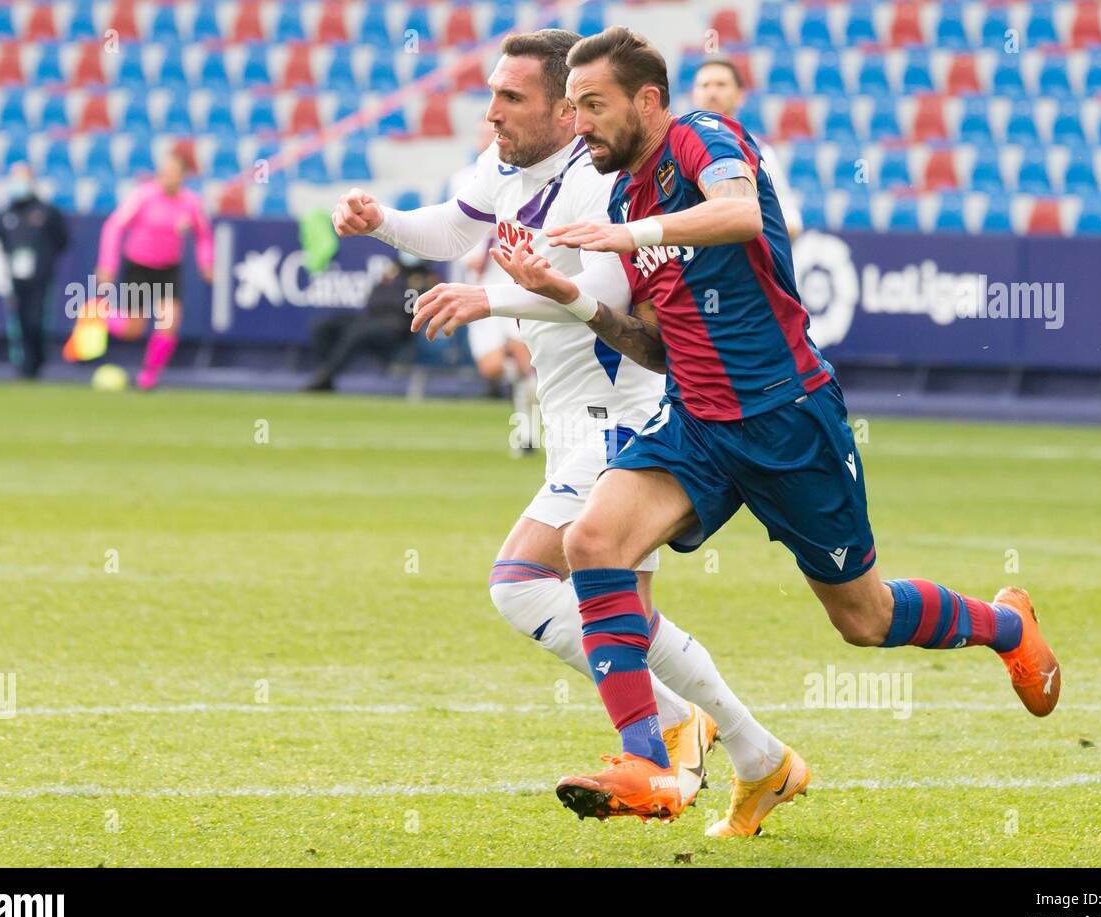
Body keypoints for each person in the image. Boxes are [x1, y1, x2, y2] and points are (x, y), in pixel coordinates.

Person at [491, 25, 1062, 835]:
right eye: (573, 106)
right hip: (696, 421)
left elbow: (739, 216)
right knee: (593, 543)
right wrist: (572, 297)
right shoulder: (625, 195)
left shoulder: (701, 137)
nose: (578, 123)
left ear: (647, 101)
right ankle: (649, 759)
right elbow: (654, 342)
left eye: (594, 105)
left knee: (863, 619)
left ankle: (1006, 625)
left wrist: (632, 238)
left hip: (787, 418)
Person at [335, 29, 792, 821]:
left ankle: (664, 743)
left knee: (522, 582)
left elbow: (607, 285)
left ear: (562, 109)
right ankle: (758, 755)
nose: (492, 114)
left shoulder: (597, 180)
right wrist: (382, 220)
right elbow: (454, 227)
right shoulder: (509, 165)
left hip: (624, 415)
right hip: (576, 419)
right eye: (491, 95)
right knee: (629, 615)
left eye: (511, 98)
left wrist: (491, 299)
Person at [445, 122, 539, 455]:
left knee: (523, 355)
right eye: (483, 133)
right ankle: (535, 395)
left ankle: (529, 434)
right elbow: (455, 231)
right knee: (492, 366)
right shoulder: (463, 179)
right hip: (479, 284)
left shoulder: (525, 175)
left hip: (513, 282)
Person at [95, 146, 213, 390]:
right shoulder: (143, 197)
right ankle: (98, 314)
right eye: (164, 172)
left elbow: (204, 236)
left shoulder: (191, 203)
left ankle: (149, 376)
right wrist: (108, 263)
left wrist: (207, 263)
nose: (168, 177)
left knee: (168, 322)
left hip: (168, 269)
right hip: (139, 266)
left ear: (183, 175)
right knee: (133, 329)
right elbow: (114, 227)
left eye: (173, 172)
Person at [690, 57, 802, 238]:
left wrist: (745, 229)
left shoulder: (758, 151)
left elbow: (791, 222)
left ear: (740, 96)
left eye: (721, 85)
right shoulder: (675, 148)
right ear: (693, 95)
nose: (712, 92)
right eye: (704, 85)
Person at [303, 254, 438, 391]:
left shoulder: (425, 281)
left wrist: (391, 305)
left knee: (358, 332)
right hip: (372, 320)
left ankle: (325, 377)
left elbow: (410, 311)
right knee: (322, 326)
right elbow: (373, 301)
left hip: (396, 331)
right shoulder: (391, 275)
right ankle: (327, 374)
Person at [0, 163, 68, 379]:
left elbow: (61, 241)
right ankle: (23, 364)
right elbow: (0, 243)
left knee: (37, 319)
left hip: (41, 277)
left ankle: (37, 361)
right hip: (16, 277)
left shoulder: (47, 212)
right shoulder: (7, 213)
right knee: (19, 320)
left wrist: (44, 260)